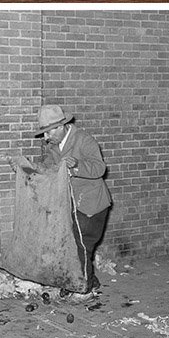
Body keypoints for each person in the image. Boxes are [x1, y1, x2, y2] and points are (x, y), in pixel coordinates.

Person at [33, 104, 112, 294]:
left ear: (61, 126)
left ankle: (83, 287)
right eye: (44, 133)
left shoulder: (84, 140)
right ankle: (86, 280)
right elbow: (48, 168)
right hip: (71, 204)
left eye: (49, 132)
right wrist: (28, 169)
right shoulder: (54, 146)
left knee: (81, 247)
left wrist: (76, 166)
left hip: (91, 204)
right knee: (71, 245)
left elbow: (99, 168)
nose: (46, 137)